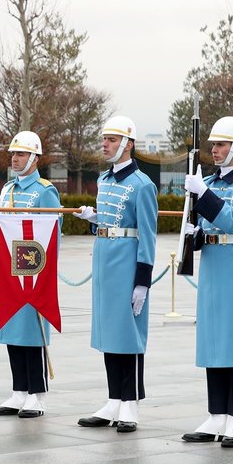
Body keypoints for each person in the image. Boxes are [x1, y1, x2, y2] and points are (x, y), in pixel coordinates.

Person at [180, 116, 233, 448]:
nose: (214, 151)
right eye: (213, 145)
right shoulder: (209, 184)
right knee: (213, 340)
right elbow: (206, 228)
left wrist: (203, 193)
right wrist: (194, 235)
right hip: (213, 265)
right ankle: (216, 413)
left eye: (221, 145)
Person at [74, 116, 157, 433]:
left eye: (111, 139)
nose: (105, 144)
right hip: (105, 262)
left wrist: (142, 281)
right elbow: (111, 222)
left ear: (128, 143)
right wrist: (93, 218)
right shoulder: (104, 181)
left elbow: (146, 234)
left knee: (129, 336)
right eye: (104, 138)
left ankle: (130, 404)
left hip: (127, 265)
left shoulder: (142, 185)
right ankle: (113, 400)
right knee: (109, 333)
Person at [0, 131, 62, 418]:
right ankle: (19, 391)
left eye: (20, 154)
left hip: (33, 269)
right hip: (8, 270)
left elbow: (53, 233)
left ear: (34, 157)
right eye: (13, 154)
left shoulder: (45, 190)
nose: (14, 159)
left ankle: (37, 394)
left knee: (32, 331)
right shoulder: (7, 190)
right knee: (12, 328)